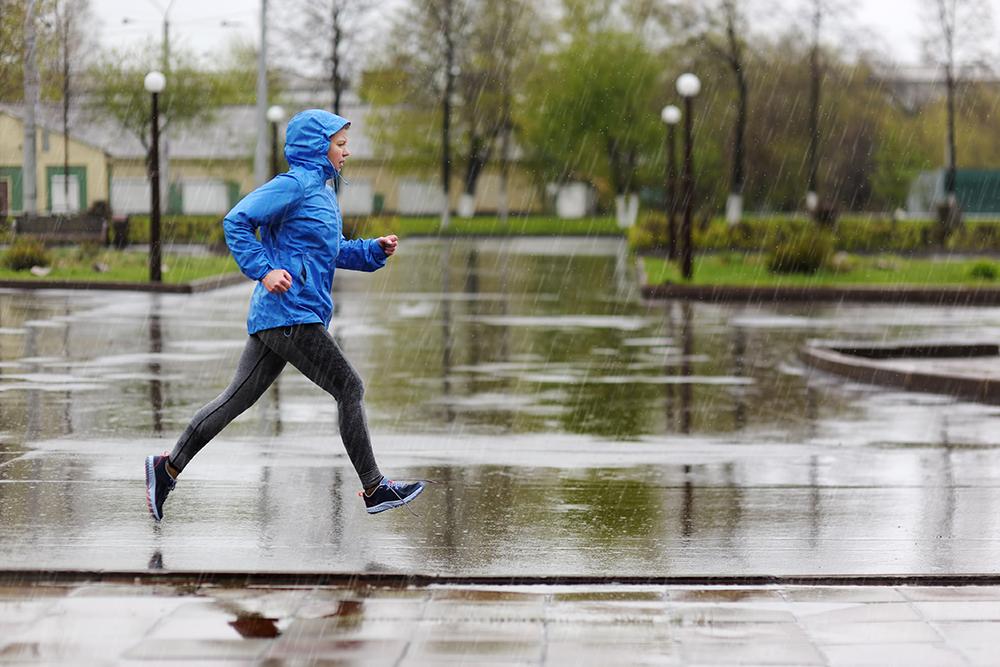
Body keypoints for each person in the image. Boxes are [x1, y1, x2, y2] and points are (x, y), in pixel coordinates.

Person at [145, 109, 425, 521]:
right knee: (349, 387)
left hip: (284, 316)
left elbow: (330, 251)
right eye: (340, 144)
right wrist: (264, 269)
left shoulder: (322, 193)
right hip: (289, 312)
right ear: (318, 146)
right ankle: (374, 486)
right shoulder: (293, 185)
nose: (347, 152)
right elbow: (236, 221)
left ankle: (165, 469)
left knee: (234, 401)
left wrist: (371, 251)